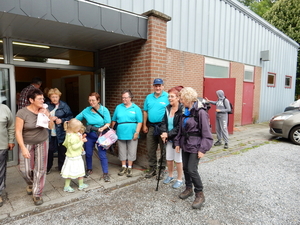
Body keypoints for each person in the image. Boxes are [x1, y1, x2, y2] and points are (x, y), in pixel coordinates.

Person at [174, 87, 213, 209]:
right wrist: (177, 142)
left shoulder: (200, 112)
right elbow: (180, 129)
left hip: (196, 145)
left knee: (192, 169)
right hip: (186, 144)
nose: (180, 100)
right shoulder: (185, 111)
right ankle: (188, 188)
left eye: (181, 98)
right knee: (185, 168)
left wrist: (203, 149)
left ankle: (199, 193)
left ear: (187, 98)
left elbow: (207, 133)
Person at [15, 89, 53, 206]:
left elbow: (51, 127)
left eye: (43, 98)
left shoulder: (45, 110)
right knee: (25, 170)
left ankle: (37, 193)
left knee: (40, 168)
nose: (43, 100)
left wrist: (48, 115)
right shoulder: (22, 113)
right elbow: (18, 131)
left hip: (42, 141)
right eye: (40, 99)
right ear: (31, 100)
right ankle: (31, 183)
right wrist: (23, 147)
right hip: (27, 143)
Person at [75, 92, 111, 182]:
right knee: (88, 153)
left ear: (98, 100)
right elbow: (76, 119)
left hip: (102, 135)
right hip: (90, 135)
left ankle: (105, 173)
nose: (91, 102)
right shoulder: (86, 110)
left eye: (93, 100)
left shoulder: (104, 110)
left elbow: (108, 122)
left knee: (102, 154)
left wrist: (103, 128)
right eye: (90, 100)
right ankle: (89, 169)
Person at [111, 90, 142, 177]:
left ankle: (130, 167)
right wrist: (112, 131)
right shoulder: (118, 107)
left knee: (132, 149)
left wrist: (137, 132)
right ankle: (123, 166)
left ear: (130, 98)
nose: (123, 99)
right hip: (120, 133)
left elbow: (140, 122)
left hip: (132, 133)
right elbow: (114, 120)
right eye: (122, 97)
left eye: (125, 97)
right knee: (122, 149)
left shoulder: (136, 108)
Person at [143, 78, 169, 179]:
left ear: (163, 86)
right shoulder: (148, 97)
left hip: (163, 127)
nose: (158, 87)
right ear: (153, 86)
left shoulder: (167, 96)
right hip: (152, 127)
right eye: (156, 86)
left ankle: (162, 169)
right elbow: (145, 111)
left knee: (164, 149)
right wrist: (145, 125)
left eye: (159, 85)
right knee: (150, 148)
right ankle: (152, 168)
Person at [160, 86, 184, 189]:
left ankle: (179, 179)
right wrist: (164, 132)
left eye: (172, 96)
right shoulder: (167, 108)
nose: (169, 98)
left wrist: (168, 134)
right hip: (168, 138)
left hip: (178, 138)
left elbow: (180, 126)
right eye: (169, 96)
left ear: (178, 98)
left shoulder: (182, 109)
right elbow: (163, 122)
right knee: (169, 159)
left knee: (178, 160)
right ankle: (170, 176)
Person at [46, 88, 73, 174]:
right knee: (49, 151)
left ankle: (61, 168)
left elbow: (70, 117)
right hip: (49, 132)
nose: (54, 99)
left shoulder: (64, 105)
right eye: (52, 97)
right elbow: (40, 117)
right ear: (49, 97)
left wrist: (61, 120)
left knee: (62, 151)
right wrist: (49, 118)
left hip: (60, 132)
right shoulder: (46, 106)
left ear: (59, 97)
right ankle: (48, 168)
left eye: (56, 97)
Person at [61, 119, 89, 192]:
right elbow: (74, 147)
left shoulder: (69, 134)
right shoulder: (72, 137)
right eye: (78, 128)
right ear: (74, 128)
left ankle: (79, 184)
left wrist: (80, 138)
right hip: (74, 157)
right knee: (73, 171)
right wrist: (82, 141)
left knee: (74, 170)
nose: (80, 129)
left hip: (73, 156)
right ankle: (69, 186)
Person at [0, 104, 15, 207]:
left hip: (1, 145)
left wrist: (10, 140)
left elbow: (11, 126)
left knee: (0, 170)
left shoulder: (4, 108)